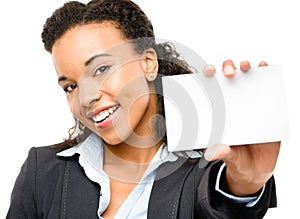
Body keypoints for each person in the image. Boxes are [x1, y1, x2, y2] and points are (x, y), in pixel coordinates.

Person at [6, 0, 279, 218]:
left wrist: (246, 181)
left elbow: (222, 207)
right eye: (70, 86)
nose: (87, 97)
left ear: (148, 62)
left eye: (101, 69)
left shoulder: (203, 170)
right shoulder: (42, 172)